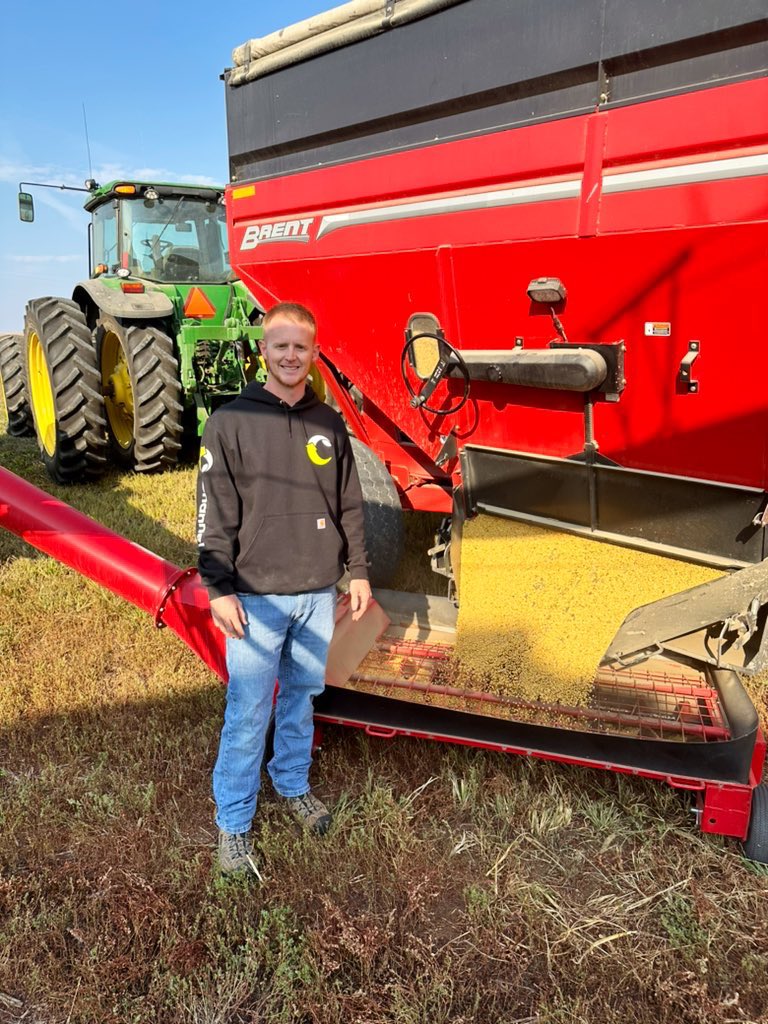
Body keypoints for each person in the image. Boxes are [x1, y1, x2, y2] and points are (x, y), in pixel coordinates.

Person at [196, 301, 371, 879]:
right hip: (254, 596)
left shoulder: (328, 422)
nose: (291, 356)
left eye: (301, 346)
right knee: (248, 712)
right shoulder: (229, 422)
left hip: (318, 592)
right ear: (262, 351)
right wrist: (217, 586)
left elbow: (349, 501)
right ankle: (234, 825)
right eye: (281, 345)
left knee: (299, 700)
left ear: (314, 353)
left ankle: (292, 784)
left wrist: (360, 570)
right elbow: (213, 513)